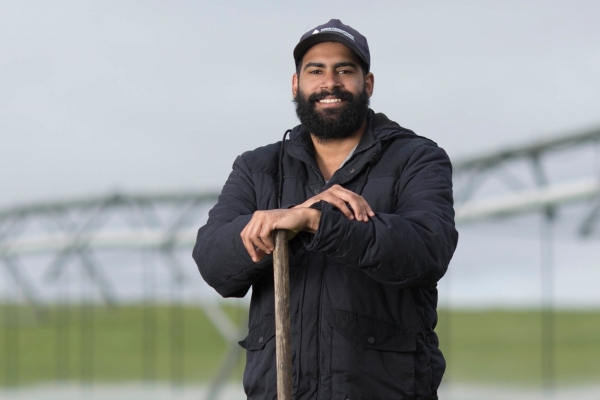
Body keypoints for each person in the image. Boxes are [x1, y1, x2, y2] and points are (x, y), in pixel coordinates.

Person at [193, 19, 457, 400]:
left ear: (368, 83)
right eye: (315, 71)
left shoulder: (416, 159)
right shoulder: (257, 168)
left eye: (344, 70)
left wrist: (318, 221)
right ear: (295, 84)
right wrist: (294, 218)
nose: (329, 83)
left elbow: (427, 250)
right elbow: (213, 262)